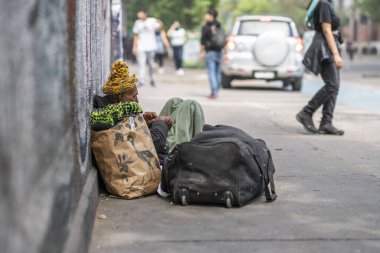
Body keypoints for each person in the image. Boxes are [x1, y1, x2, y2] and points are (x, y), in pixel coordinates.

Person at [93, 61, 205, 163]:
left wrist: (145, 122)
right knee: (191, 105)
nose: (137, 101)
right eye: (134, 96)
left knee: (174, 102)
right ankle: (197, 154)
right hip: (153, 150)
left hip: (148, 140)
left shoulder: (113, 108)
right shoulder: (110, 116)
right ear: (120, 96)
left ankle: (195, 148)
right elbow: (151, 144)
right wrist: (160, 123)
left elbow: (130, 129)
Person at [297, 0, 344, 135]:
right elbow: (326, 30)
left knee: (334, 87)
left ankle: (326, 123)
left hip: (329, 46)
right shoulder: (323, 3)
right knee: (332, 85)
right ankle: (306, 112)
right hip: (324, 49)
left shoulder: (326, 3)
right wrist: (335, 54)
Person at [200, 8, 224, 99]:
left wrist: (201, 52)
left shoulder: (206, 27)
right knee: (218, 72)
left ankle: (214, 92)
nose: (205, 16)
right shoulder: (219, 26)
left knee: (211, 72)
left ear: (211, 16)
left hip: (210, 52)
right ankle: (216, 90)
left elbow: (203, 41)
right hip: (219, 51)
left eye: (206, 14)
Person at [132, 8, 158, 87]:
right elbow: (136, 35)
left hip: (151, 46)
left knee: (151, 64)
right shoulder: (137, 22)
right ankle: (141, 80)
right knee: (141, 64)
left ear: (145, 13)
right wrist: (134, 47)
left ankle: (152, 79)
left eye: (140, 13)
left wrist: (160, 22)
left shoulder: (152, 20)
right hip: (141, 46)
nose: (138, 14)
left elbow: (159, 28)